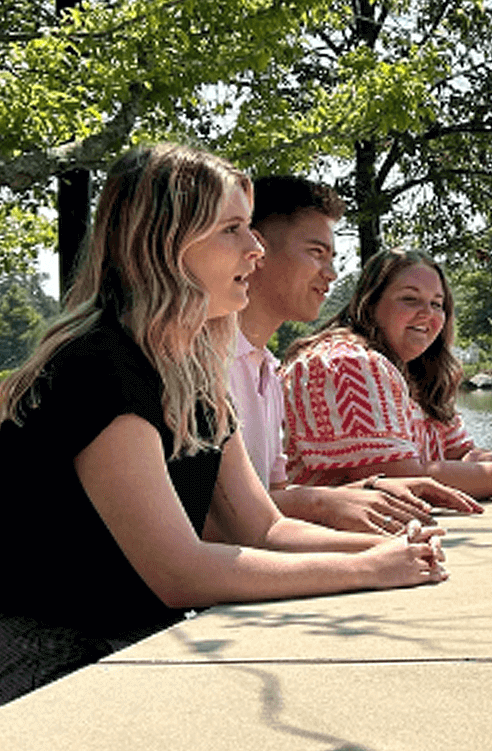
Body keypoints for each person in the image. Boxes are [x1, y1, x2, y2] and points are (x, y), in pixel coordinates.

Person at [0, 145, 445, 705]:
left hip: (135, 641)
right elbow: (179, 571)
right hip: (49, 657)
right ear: (166, 243)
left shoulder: (192, 370)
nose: (256, 249)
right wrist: (368, 567)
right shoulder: (100, 365)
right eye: (233, 229)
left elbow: (263, 529)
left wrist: (389, 547)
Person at [234, 175, 481, 534]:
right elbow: (209, 524)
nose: (332, 275)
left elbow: (268, 506)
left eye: (437, 304)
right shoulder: (338, 363)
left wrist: (363, 497)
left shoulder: (266, 370)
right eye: (316, 253)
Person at [282, 247, 492, 497]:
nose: (428, 314)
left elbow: (461, 453)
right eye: (410, 299)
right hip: (322, 549)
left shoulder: (415, 372)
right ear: (369, 303)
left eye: (437, 304)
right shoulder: (346, 364)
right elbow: (400, 479)